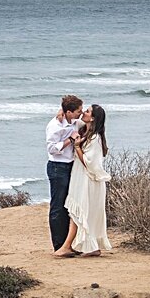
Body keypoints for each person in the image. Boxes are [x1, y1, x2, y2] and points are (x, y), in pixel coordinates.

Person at [57, 104, 112, 257]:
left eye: (87, 111)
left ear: (93, 118)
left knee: (78, 211)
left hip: (88, 179)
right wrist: (61, 113)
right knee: (80, 211)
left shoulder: (95, 138)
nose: (83, 113)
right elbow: (70, 120)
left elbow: (90, 163)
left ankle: (67, 246)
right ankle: (90, 247)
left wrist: (78, 148)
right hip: (79, 176)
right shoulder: (85, 129)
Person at [44, 94, 83, 250]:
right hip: (57, 167)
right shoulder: (55, 126)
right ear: (69, 112)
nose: (80, 113)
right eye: (78, 111)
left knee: (68, 206)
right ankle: (58, 246)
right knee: (58, 207)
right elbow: (52, 149)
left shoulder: (73, 121)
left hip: (70, 166)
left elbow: (87, 120)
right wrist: (70, 140)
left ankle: (68, 245)